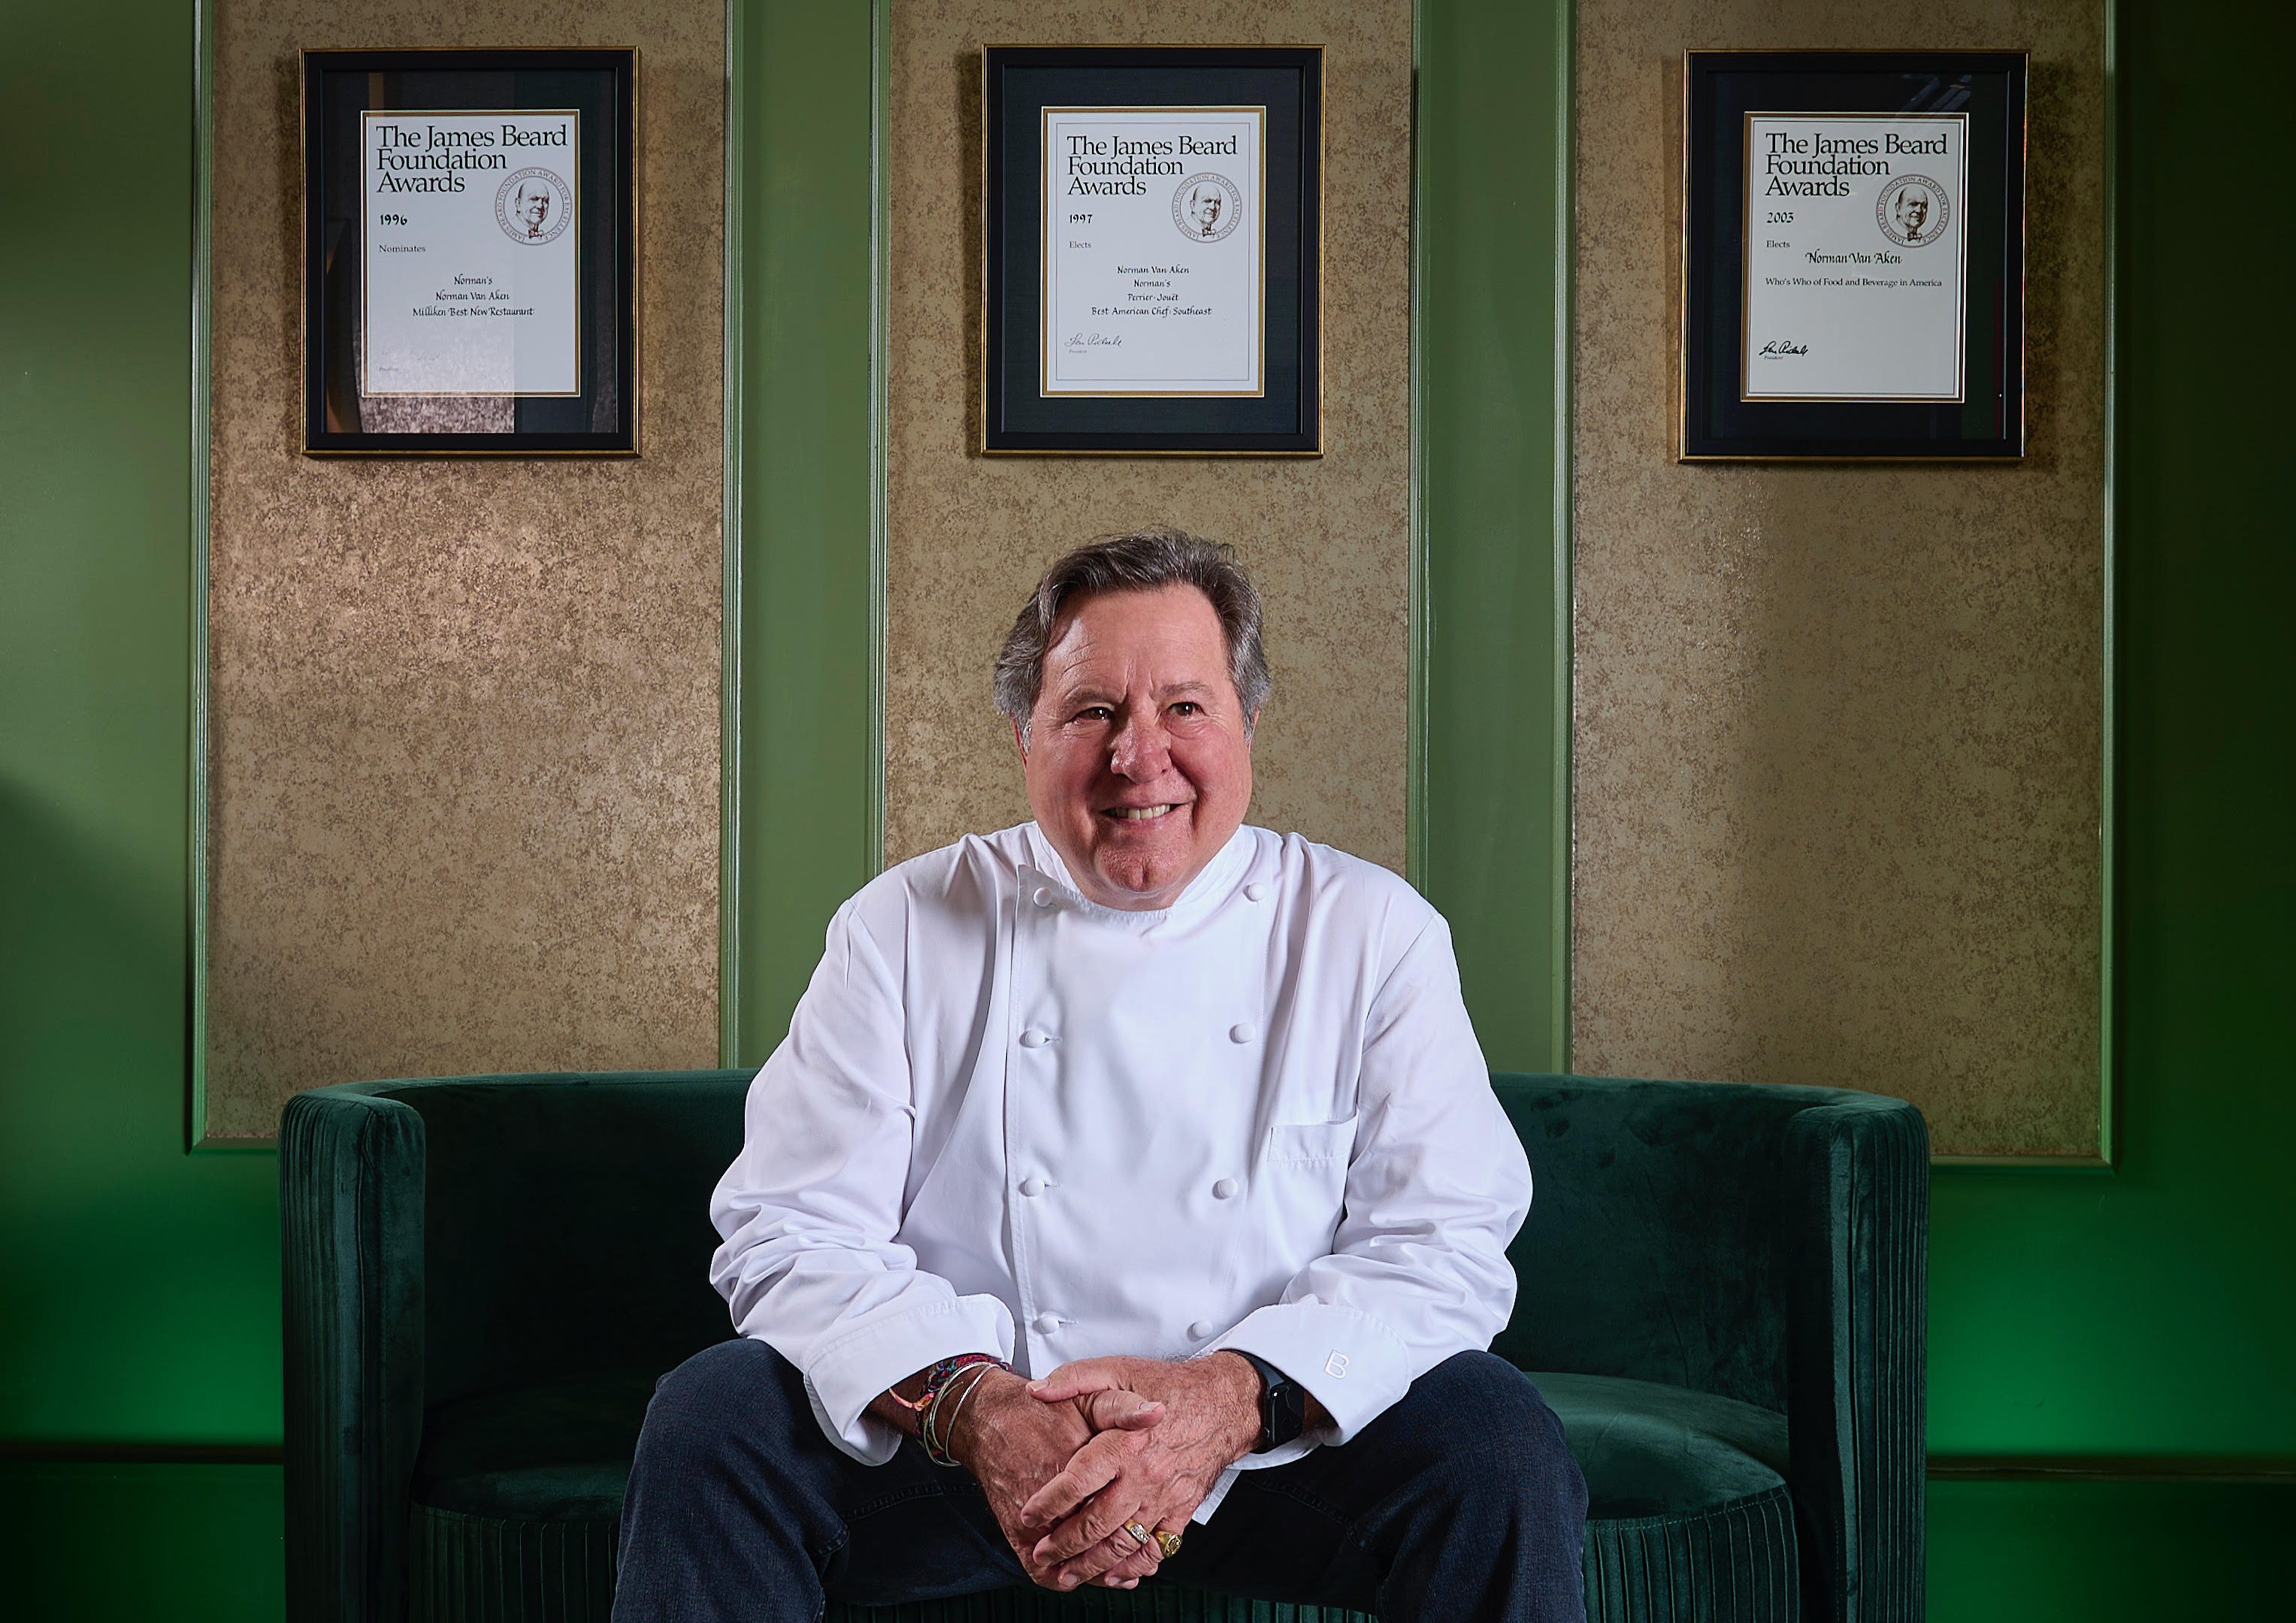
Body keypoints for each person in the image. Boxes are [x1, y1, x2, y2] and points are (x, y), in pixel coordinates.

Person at [613, 527, 1587, 1621]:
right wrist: (980, 1410)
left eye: (1185, 706)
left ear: (1247, 724)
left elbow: (1443, 1240)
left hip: (1267, 1453)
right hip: (971, 1458)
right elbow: (791, 1229)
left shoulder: (1369, 931)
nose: (1139, 756)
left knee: (1495, 1439)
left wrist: (1227, 1401)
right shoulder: (903, 926)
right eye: (1091, 712)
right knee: (715, 1418)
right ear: (1022, 735)